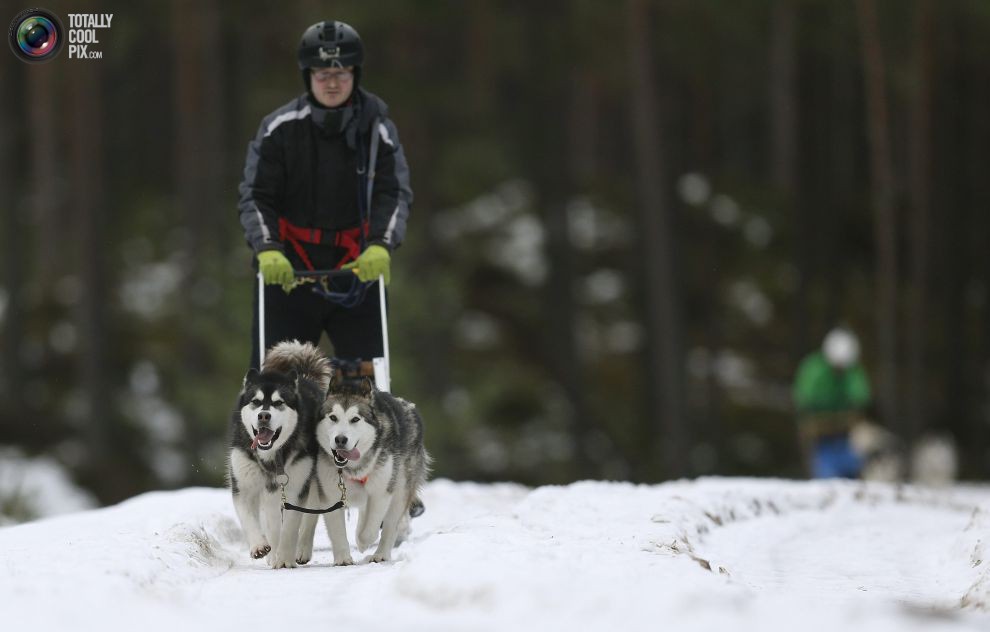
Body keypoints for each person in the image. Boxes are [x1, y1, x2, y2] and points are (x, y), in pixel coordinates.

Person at [237, 20, 412, 379]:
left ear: (355, 74)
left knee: (369, 392)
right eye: (322, 73)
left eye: (342, 72)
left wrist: (381, 244)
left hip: (356, 272)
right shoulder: (279, 129)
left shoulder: (377, 129)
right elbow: (256, 196)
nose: (332, 83)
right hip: (289, 274)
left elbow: (393, 192)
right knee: (273, 389)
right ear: (307, 75)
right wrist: (267, 248)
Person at [792, 328, 872, 478]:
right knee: (826, 472)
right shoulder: (814, 369)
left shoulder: (853, 371)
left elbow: (861, 395)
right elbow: (804, 398)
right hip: (819, 432)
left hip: (845, 433)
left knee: (854, 463)